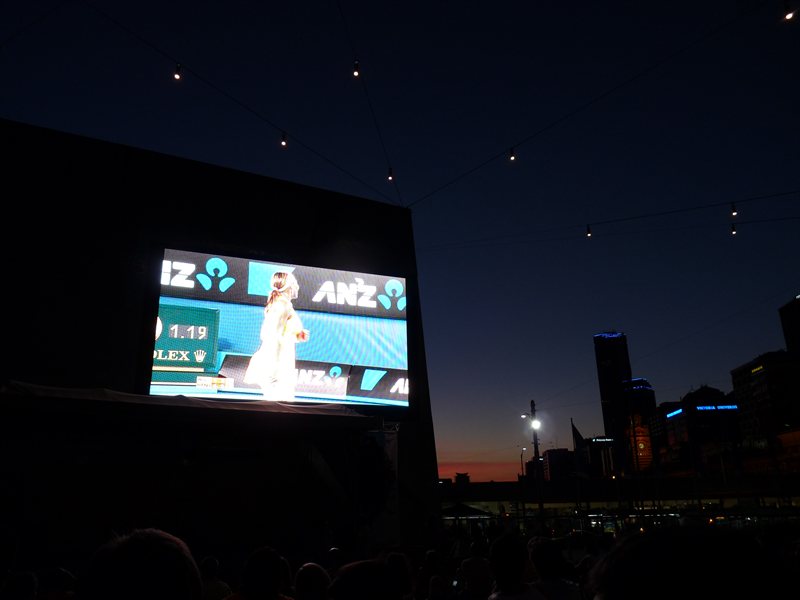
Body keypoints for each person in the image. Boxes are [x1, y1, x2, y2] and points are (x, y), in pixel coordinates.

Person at [244, 271, 309, 400]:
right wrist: (275, 365)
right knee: (278, 402)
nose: (295, 285)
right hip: (276, 359)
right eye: (293, 282)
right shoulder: (281, 305)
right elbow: (270, 332)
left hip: (281, 357)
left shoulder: (282, 303)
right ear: (288, 285)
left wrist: (297, 335)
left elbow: (282, 331)